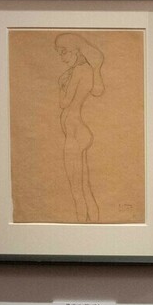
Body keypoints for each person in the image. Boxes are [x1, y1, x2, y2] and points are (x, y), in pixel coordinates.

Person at [55, 32, 104, 223]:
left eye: (63, 52)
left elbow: (64, 103)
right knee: (84, 187)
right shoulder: (89, 70)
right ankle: (94, 226)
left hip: (75, 132)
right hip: (79, 131)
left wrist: (61, 85)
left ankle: (82, 227)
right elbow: (98, 91)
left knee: (77, 190)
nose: (62, 57)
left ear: (75, 50)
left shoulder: (77, 71)